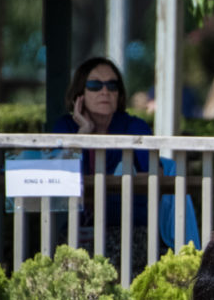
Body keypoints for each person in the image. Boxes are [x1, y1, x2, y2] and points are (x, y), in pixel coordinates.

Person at [54, 57, 200, 273]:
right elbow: (57, 176)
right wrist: (82, 135)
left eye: (112, 85)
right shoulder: (66, 126)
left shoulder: (134, 126)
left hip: (131, 229)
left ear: (119, 94)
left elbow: (154, 173)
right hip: (79, 230)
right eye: (95, 85)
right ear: (80, 94)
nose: (105, 91)